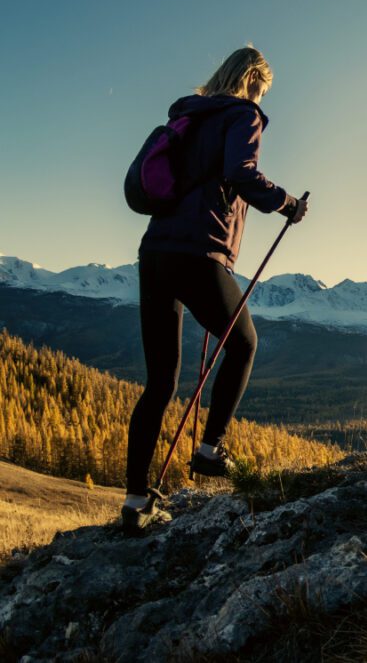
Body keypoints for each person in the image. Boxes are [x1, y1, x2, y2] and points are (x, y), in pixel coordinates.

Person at [123, 47, 309, 534]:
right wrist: (286, 204)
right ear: (251, 79)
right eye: (262, 89)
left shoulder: (187, 114)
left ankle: (136, 500)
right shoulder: (243, 114)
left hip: (156, 251)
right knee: (244, 343)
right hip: (198, 250)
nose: (262, 97)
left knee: (160, 382)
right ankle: (210, 450)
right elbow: (240, 173)